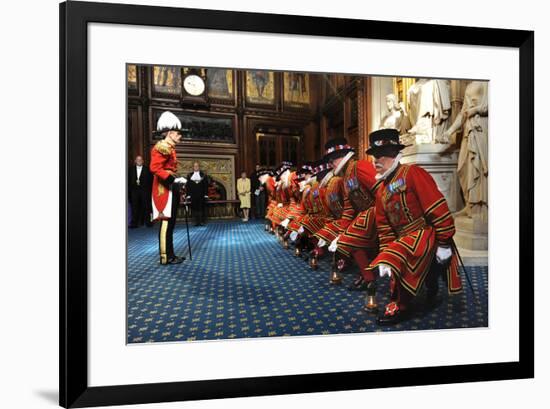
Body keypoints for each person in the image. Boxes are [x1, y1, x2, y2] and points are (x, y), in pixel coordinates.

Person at [363, 129, 463, 325]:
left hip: (424, 233)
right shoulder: (381, 190)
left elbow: (437, 206)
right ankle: (427, 282)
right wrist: (386, 253)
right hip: (403, 239)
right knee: (396, 253)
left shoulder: (413, 173)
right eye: (375, 156)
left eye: (381, 156)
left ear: (394, 155)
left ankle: (402, 305)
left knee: (400, 254)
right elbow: (384, 228)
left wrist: (443, 242)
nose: (376, 161)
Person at [150, 111, 188, 265]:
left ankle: (171, 254)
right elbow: (154, 168)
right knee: (166, 222)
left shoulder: (170, 148)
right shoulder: (162, 147)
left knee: (171, 222)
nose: (180, 137)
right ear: (171, 133)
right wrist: (173, 179)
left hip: (170, 188)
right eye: (179, 134)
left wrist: (176, 181)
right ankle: (165, 256)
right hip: (163, 190)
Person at [128, 155, 153, 228]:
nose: (139, 161)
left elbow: (150, 182)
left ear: (143, 161)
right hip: (134, 192)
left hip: (145, 192)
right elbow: (128, 181)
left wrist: (149, 192)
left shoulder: (148, 170)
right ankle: (134, 223)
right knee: (134, 207)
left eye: (140, 160)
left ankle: (148, 223)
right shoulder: (130, 170)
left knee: (146, 207)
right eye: (137, 160)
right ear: (135, 161)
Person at [186, 162, 209, 226]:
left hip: (201, 195)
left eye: (197, 166)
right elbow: (188, 186)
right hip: (193, 195)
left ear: (199, 167)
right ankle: (195, 222)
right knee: (194, 208)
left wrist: (206, 194)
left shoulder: (203, 175)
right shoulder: (189, 175)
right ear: (193, 167)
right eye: (195, 166)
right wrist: (188, 194)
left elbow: (205, 185)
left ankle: (201, 221)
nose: (196, 167)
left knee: (201, 208)